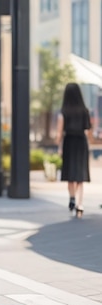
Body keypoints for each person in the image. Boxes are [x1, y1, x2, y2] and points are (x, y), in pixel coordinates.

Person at [55, 82, 91, 219]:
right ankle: (80, 205)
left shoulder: (63, 112)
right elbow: (88, 130)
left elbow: (59, 133)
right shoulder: (85, 111)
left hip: (69, 143)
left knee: (70, 174)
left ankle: (72, 198)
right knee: (80, 176)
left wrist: (58, 145)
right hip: (81, 143)